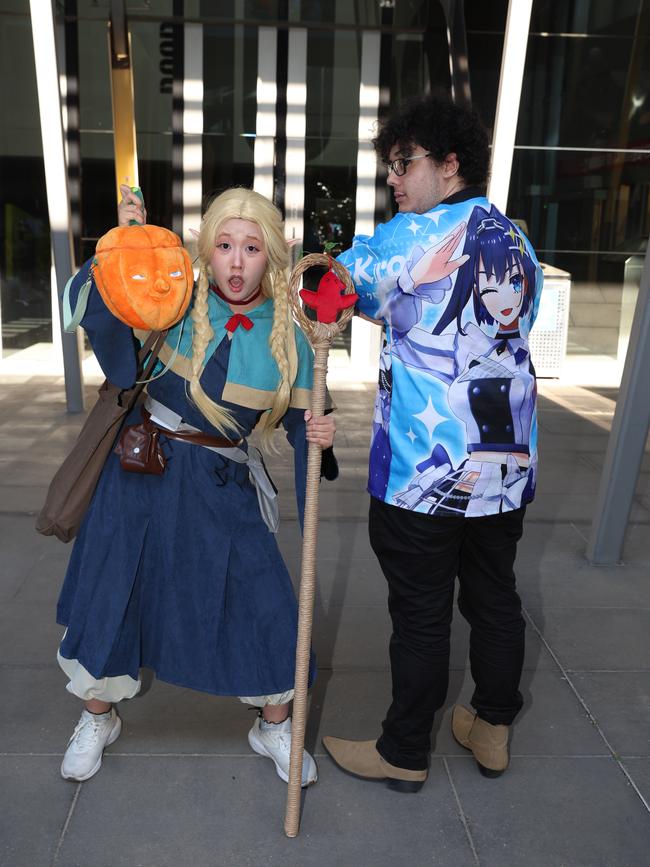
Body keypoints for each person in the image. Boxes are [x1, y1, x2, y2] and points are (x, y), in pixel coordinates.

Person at [56, 186, 336, 787]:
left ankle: (274, 722)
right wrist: (124, 247)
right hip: (141, 476)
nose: (237, 262)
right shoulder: (172, 298)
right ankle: (97, 716)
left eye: (252, 248)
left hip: (221, 483)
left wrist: (317, 428)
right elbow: (98, 312)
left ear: (272, 257)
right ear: (206, 249)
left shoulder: (292, 340)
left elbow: (302, 425)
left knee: (267, 602)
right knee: (116, 595)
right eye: (225, 246)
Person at [323, 92, 543, 791]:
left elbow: (335, 288)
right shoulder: (516, 239)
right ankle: (491, 725)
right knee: (494, 596)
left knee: (420, 612)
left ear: (449, 164)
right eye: (390, 163)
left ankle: (403, 748)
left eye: (403, 162)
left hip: (426, 473)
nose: (393, 177)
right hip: (504, 468)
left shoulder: (410, 237)